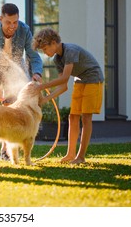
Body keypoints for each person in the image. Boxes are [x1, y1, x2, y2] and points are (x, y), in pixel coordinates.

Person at [0, 3, 43, 160]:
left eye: (15, 22)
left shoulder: (24, 29)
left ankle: (6, 154)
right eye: (8, 22)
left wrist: (37, 72)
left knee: (11, 112)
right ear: (1, 19)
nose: (12, 26)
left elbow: (33, 55)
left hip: (13, 73)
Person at [33, 27, 104, 164]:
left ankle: (81, 157)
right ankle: (70, 155)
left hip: (93, 78)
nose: (45, 52)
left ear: (54, 43)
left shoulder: (70, 51)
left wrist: (41, 87)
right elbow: (63, 87)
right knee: (73, 117)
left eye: (45, 48)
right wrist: (46, 99)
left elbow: (64, 79)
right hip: (80, 79)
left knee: (86, 117)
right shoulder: (57, 60)